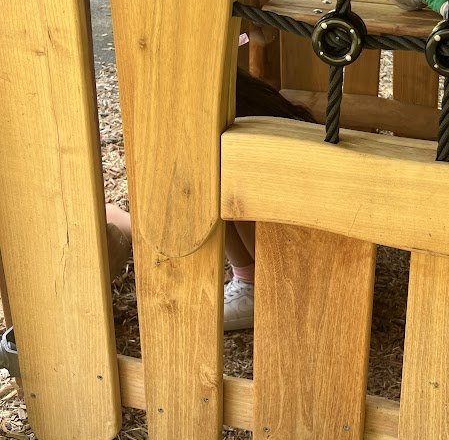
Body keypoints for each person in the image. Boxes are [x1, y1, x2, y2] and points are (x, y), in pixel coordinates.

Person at [105, 65, 316, 332]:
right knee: (213, 187)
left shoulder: (245, 156)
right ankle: (252, 280)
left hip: (295, 270)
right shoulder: (239, 101)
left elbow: (189, 227)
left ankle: (265, 287)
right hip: (290, 241)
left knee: (221, 189)